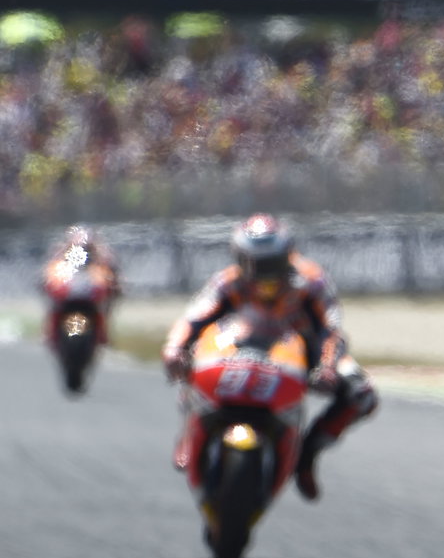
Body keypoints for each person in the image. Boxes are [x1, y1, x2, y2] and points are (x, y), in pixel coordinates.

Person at [160, 213, 378, 501]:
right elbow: (194, 319)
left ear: (288, 255)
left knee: (362, 394)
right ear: (240, 258)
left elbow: (331, 330)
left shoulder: (312, 282)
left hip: (305, 353)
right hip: (235, 347)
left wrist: (327, 366)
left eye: (272, 262)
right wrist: (174, 347)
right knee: (192, 356)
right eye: (254, 263)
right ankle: (190, 430)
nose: (264, 273)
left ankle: (307, 455)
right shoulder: (227, 282)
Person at [42, 225, 122, 346]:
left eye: (86, 249)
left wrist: (113, 284)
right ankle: (50, 332)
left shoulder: (102, 258)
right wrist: (47, 282)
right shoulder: (60, 256)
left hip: (90, 296)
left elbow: (112, 274)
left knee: (106, 306)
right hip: (68, 294)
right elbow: (50, 273)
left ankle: (102, 333)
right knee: (54, 306)